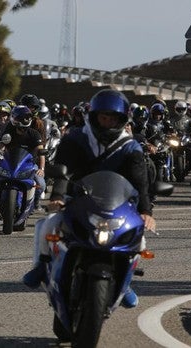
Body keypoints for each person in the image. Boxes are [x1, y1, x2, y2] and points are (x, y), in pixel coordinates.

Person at [22, 89, 155, 309]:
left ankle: (126, 283)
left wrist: (146, 212)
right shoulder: (76, 138)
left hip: (118, 204)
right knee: (49, 223)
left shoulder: (131, 147)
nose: (108, 123)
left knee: (139, 238)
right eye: (104, 118)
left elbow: (140, 183)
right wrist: (57, 197)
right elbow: (64, 171)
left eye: (113, 119)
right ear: (94, 117)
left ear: (122, 120)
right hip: (79, 198)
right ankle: (40, 265)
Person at [1, 105, 46, 213]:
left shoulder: (34, 134)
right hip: (9, 163)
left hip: (29, 165)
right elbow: (1, 146)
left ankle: (34, 203)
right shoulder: (9, 130)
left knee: (41, 184)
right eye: (23, 117)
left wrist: (41, 168)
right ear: (15, 118)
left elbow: (41, 152)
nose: (26, 120)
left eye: (28, 117)